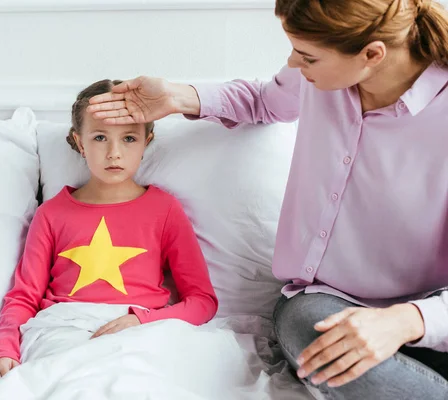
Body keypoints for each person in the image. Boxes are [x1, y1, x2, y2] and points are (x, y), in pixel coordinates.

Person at [86, 1, 448, 398]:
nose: (293, 63)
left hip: (434, 310)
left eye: (307, 56)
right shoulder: (316, 79)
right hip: (326, 303)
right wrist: (175, 96)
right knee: (311, 334)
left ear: (372, 55)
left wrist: (407, 320)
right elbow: (264, 100)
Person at [0, 79, 218, 387]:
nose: (114, 153)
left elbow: (202, 301)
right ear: (80, 142)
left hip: (140, 328)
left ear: (147, 141)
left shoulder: (165, 210)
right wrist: (2, 350)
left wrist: (140, 321)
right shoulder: (51, 214)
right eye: (100, 137)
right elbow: (24, 297)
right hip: (65, 326)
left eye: (129, 138)